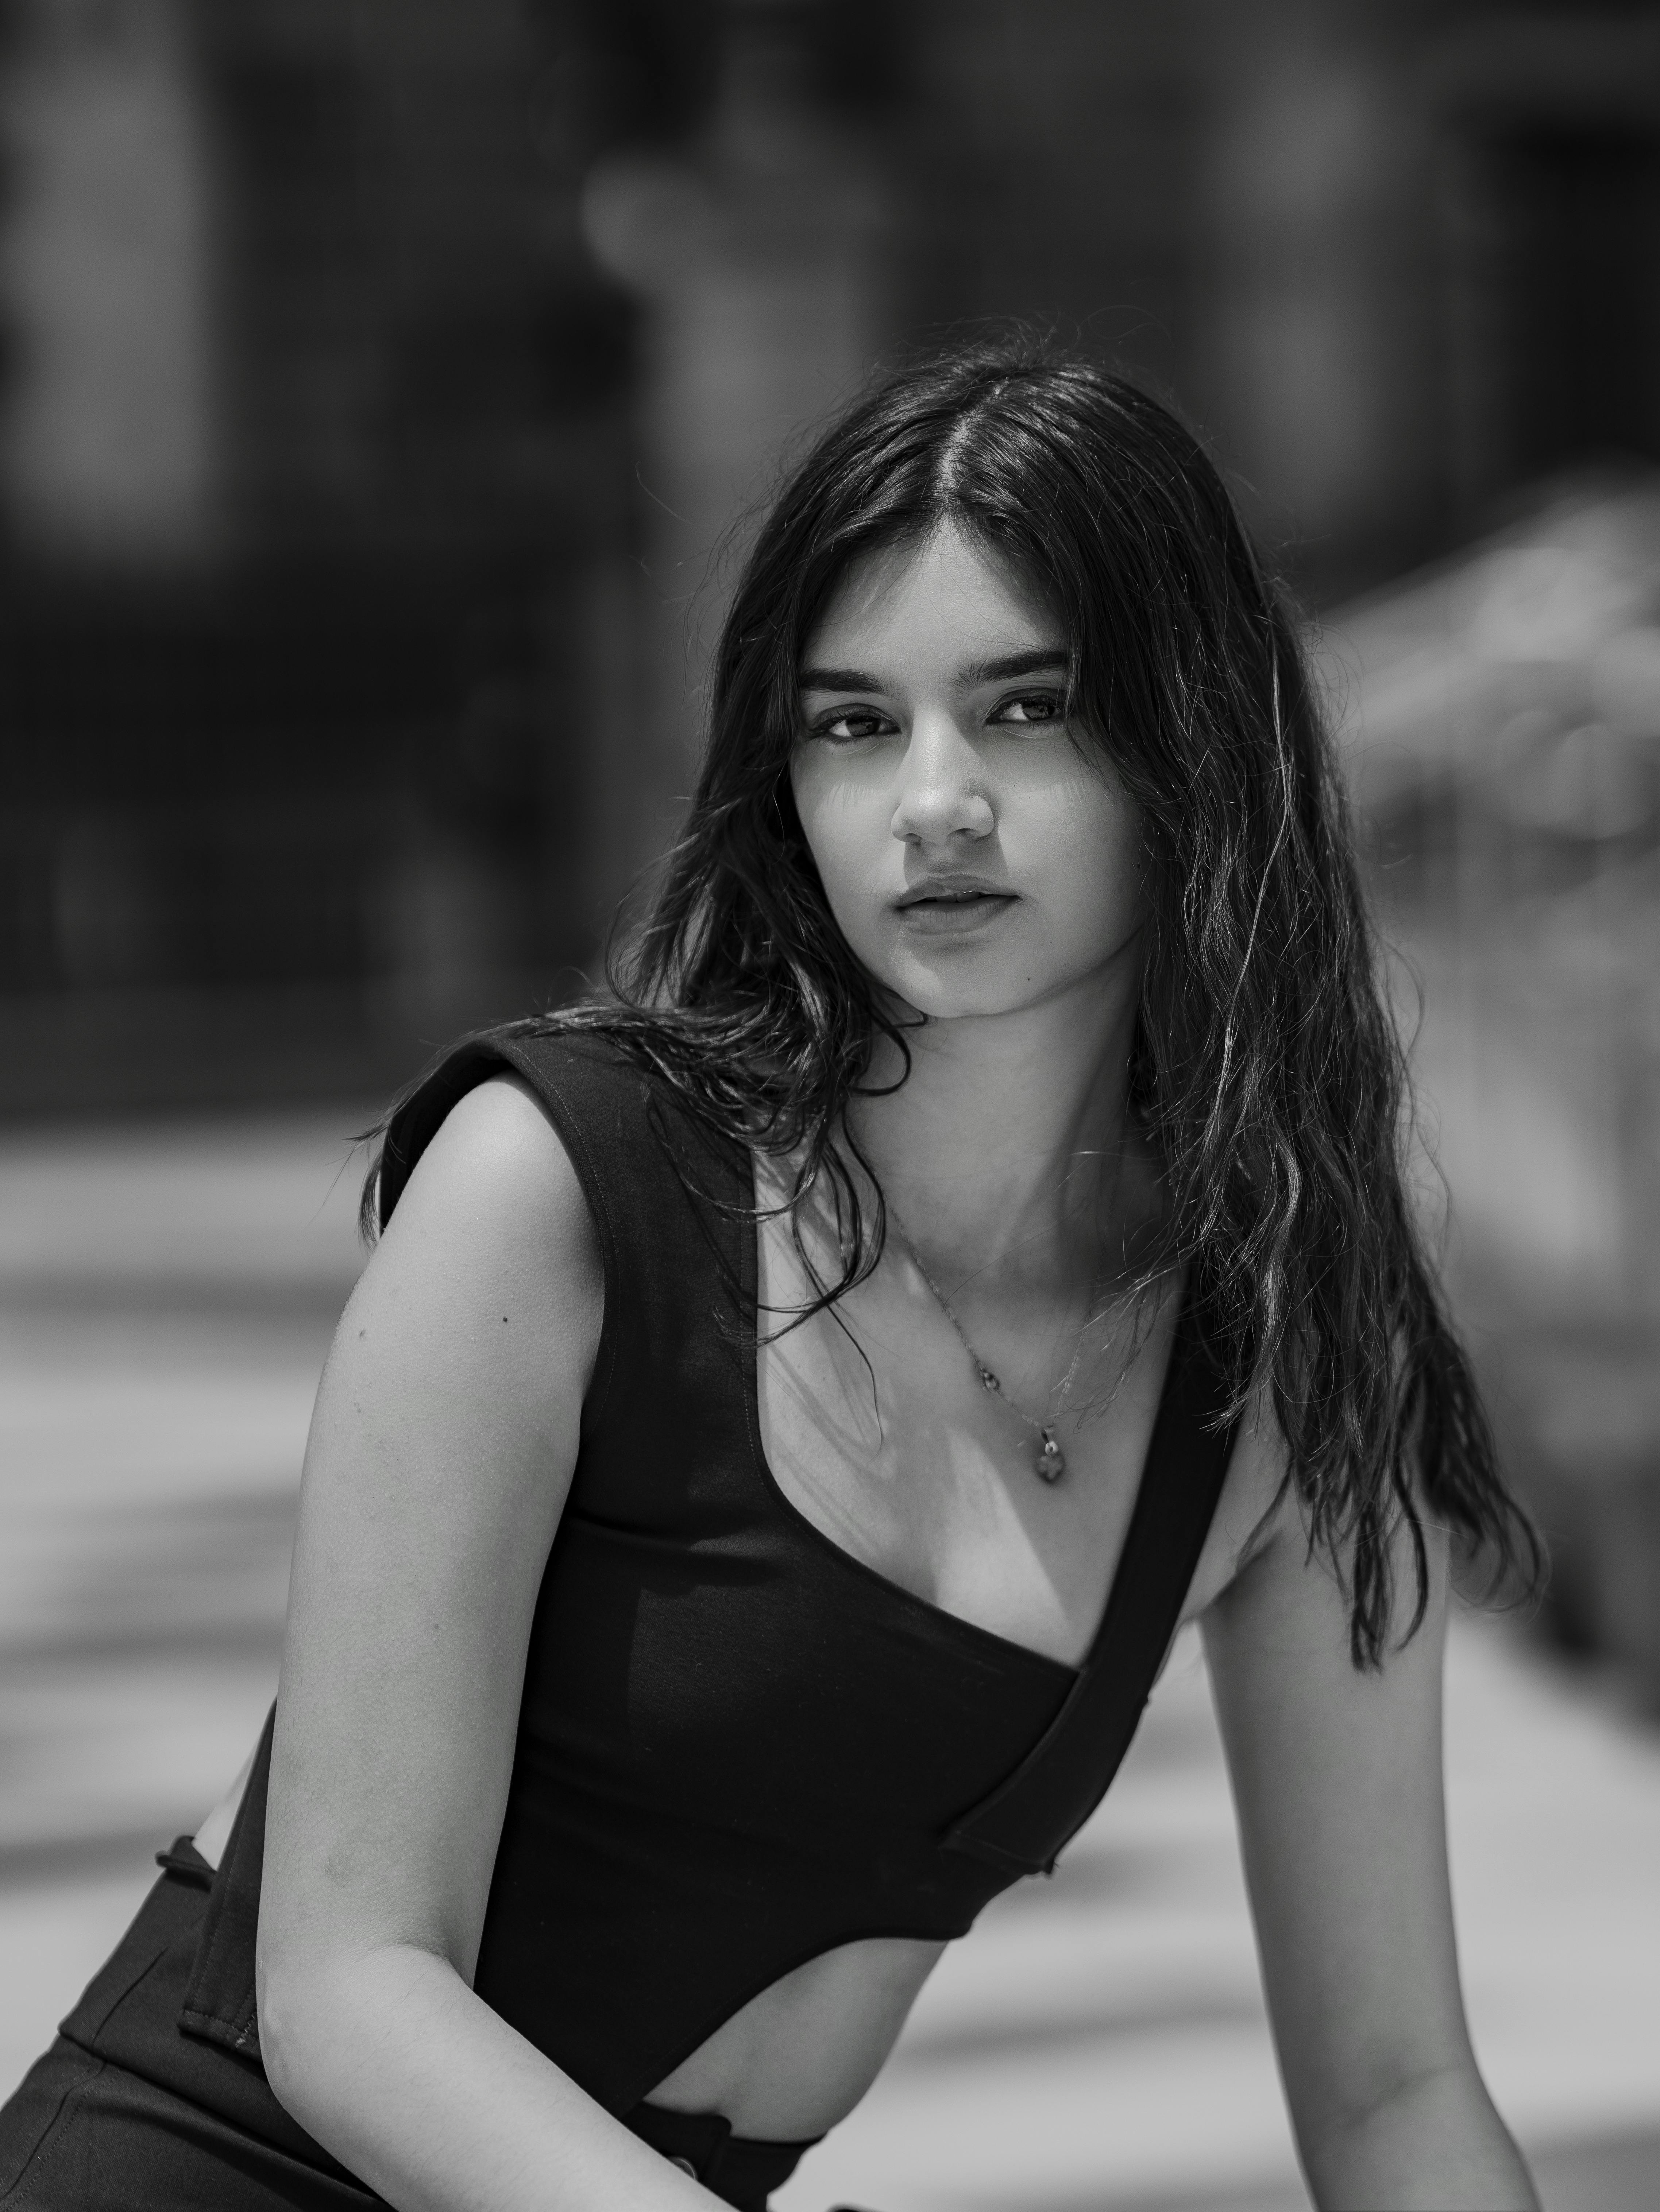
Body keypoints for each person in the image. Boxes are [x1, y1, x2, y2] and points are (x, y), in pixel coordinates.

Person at [0, 341, 1543, 2212]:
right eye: (853, 723)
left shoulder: (1286, 1367)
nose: (935, 801)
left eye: (1028, 707)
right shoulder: (559, 1188)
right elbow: (345, 1989)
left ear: (1193, 743)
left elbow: (1393, 2089)